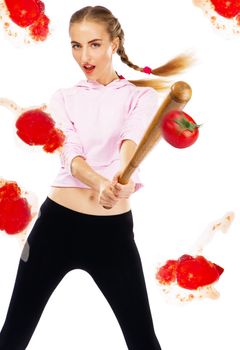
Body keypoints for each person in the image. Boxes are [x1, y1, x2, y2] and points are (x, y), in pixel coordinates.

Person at [0, 5, 194, 350]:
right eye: (76, 45)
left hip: (112, 236)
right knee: (12, 337)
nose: (84, 55)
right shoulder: (63, 98)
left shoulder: (142, 97)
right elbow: (70, 154)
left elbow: (130, 142)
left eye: (94, 44)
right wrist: (100, 183)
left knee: (143, 342)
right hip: (54, 229)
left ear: (114, 44)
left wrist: (121, 175)